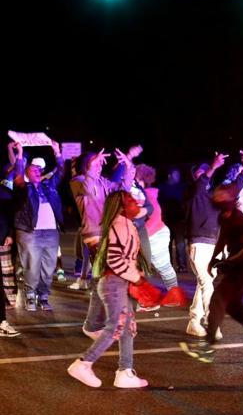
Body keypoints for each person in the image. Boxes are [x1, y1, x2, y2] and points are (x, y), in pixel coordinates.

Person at [180, 155, 243, 363]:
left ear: (227, 200)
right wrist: (214, 258)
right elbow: (222, 239)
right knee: (233, 306)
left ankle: (208, 348)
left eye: (219, 194)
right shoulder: (223, 217)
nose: (215, 194)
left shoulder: (238, 219)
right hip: (238, 264)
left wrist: (229, 262)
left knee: (217, 299)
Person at [66, 191, 150, 389]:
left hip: (119, 282)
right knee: (116, 327)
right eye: (131, 201)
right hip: (114, 283)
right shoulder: (120, 225)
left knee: (127, 328)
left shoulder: (126, 223)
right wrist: (136, 277)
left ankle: (125, 372)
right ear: (121, 208)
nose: (136, 203)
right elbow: (114, 260)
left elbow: (124, 258)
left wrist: (136, 275)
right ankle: (83, 364)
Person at [184, 152, 243, 338]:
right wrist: (213, 166)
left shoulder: (214, 197)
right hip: (199, 244)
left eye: (206, 171)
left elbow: (236, 187)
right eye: (200, 172)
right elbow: (202, 182)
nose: (204, 174)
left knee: (204, 283)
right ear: (195, 176)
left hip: (214, 244)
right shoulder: (194, 193)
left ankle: (194, 322)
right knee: (207, 284)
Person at [11, 141, 65, 311]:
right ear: (27, 173)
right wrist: (19, 154)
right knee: (32, 265)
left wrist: (57, 152)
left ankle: (43, 296)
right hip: (29, 232)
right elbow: (18, 172)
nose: (37, 171)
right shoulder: (23, 187)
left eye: (39, 170)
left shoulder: (48, 186)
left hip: (51, 232)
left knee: (49, 267)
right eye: (33, 169)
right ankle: (30, 296)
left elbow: (61, 171)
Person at [134, 164, 187, 307]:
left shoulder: (145, 195)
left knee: (146, 269)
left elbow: (146, 217)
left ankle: (151, 300)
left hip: (154, 235)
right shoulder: (154, 192)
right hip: (157, 233)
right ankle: (172, 295)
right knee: (161, 268)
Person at [0, 162, 19, 337]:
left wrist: (10, 233)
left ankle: (2, 321)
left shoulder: (4, 189)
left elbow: (10, 213)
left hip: (2, 238)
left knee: (6, 274)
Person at [158, 167, 188, 273]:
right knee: (167, 243)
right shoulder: (162, 187)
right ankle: (168, 266)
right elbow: (158, 203)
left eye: (178, 174)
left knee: (180, 243)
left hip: (179, 219)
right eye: (176, 174)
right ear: (169, 175)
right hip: (166, 219)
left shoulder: (182, 187)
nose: (178, 176)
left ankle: (182, 265)